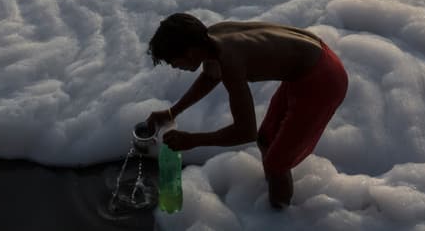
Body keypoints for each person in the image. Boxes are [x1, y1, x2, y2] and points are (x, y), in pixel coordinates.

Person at [144, 13, 348, 208]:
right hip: (313, 59)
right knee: (266, 140)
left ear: (189, 53)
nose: (173, 67)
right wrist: (172, 112)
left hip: (323, 80)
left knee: (277, 165)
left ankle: (279, 218)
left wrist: (193, 140)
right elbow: (210, 76)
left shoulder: (231, 62)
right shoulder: (210, 38)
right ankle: (274, 193)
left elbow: (245, 132)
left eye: (173, 62)